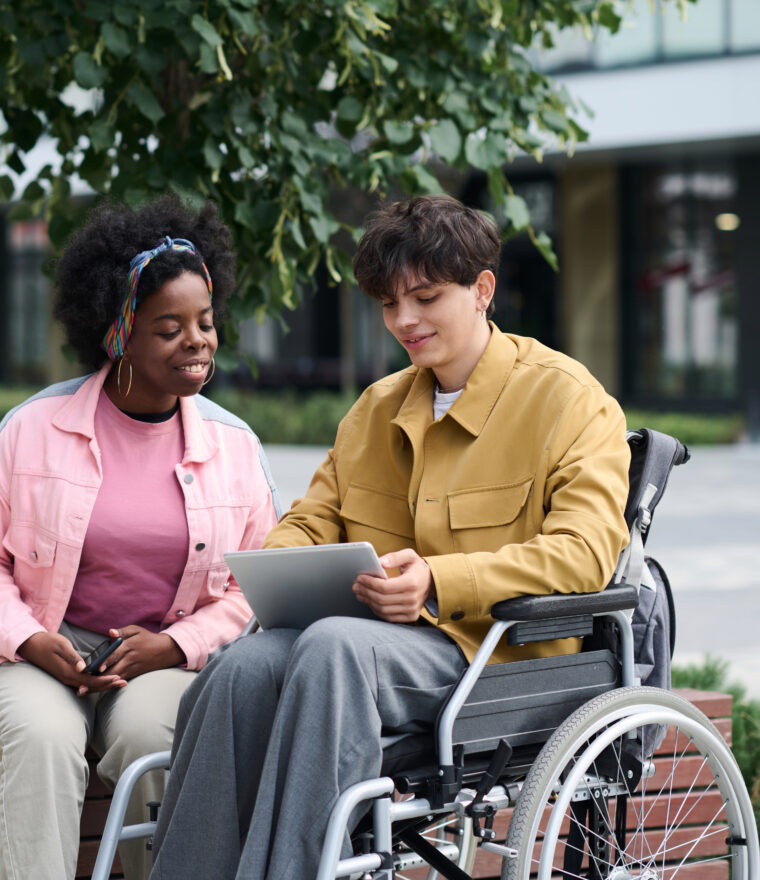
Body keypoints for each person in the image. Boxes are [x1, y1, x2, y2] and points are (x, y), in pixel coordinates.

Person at [148, 194, 631, 880]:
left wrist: (439, 580)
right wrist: (278, 567)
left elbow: (583, 556)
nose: (404, 320)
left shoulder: (567, 400)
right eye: (388, 303)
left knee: (332, 648)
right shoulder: (376, 409)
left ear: (482, 290)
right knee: (244, 667)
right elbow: (316, 518)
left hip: (500, 657)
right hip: (371, 645)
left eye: (426, 297)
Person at [0, 196, 281, 880]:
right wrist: (32, 640)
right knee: (45, 737)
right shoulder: (33, 428)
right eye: (169, 328)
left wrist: (175, 645)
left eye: (206, 323)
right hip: (27, 651)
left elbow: (257, 584)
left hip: (161, 658)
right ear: (118, 332)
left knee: (154, 737)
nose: (198, 341)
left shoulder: (234, 447)